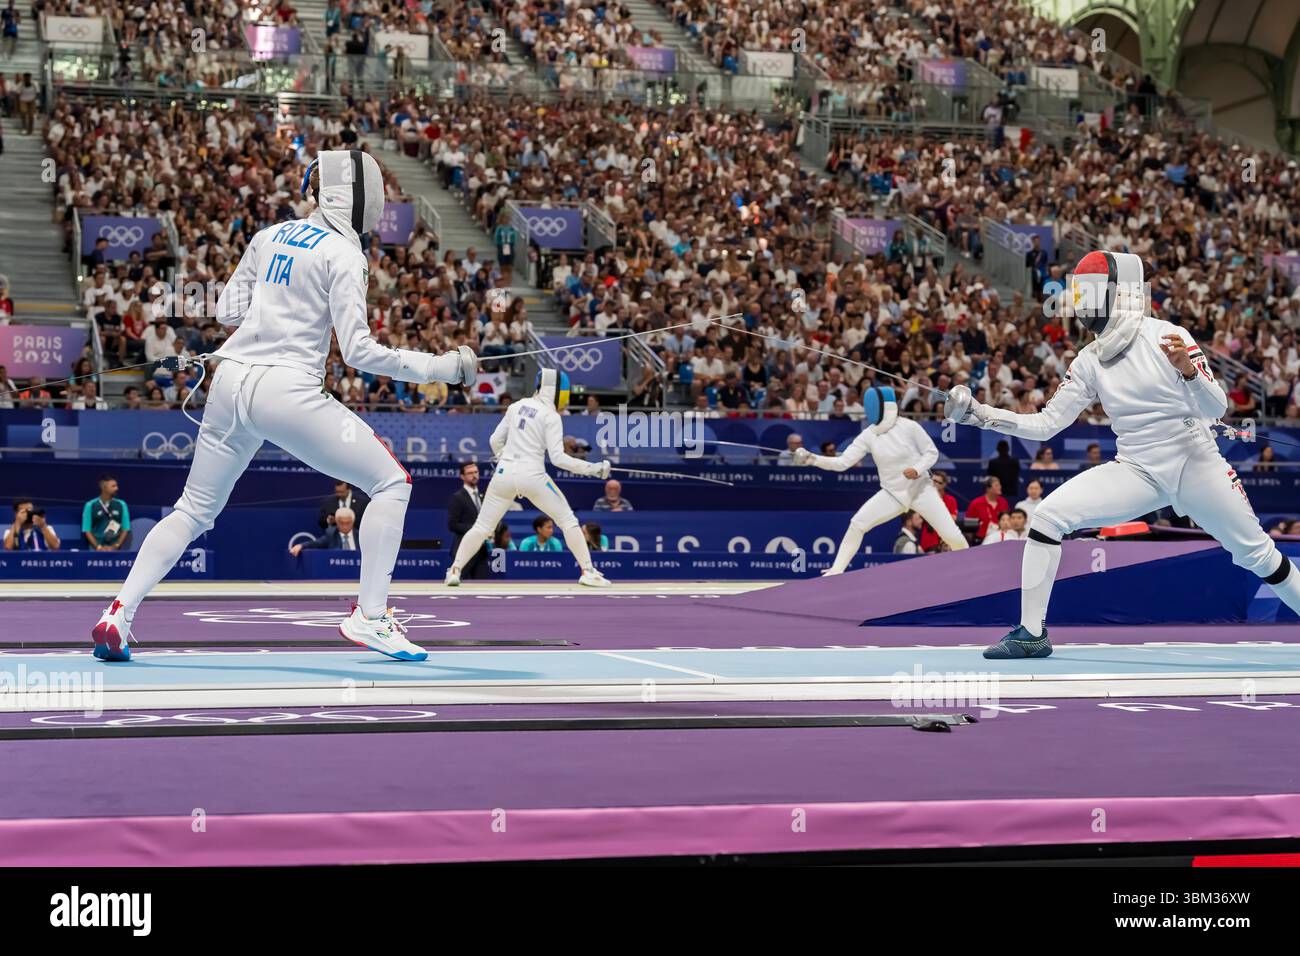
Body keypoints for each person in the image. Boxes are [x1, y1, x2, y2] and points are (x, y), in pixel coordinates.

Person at [91, 150, 478, 663]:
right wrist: (444, 368)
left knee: (191, 511)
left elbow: (228, 310)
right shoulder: (345, 254)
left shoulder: (268, 235)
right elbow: (359, 351)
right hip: (284, 390)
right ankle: (371, 616)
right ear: (356, 197)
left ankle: (118, 612)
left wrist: (269, 314)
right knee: (391, 483)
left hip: (228, 384)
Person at [946, 250, 1300, 658]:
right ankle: (1031, 632)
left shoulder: (1170, 335)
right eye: (1078, 293)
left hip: (1195, 463)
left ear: (1121, 292)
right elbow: (1046, 424)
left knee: (1257, 554)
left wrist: (1188, 371)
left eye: (1090, 291)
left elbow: (1215, 408)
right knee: (1047, 517)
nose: (1081, 303)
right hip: (1138, 470)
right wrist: (980, 414)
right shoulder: (1089, 361)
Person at [445, 369, 611, 586]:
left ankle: (455, 571)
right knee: (568, 521)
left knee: (482, 527)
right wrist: (595, 469)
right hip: (532, 476)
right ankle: (588, 571)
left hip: (503, 475)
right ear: (557, 391)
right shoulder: (550, 416)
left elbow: (495, 440)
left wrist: (505, 459)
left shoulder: (516, 406)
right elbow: (559, 459)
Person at [794, 386, 968, 575]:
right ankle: (836, 570)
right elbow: (843, 462)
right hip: (893, 493)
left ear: (885, 406)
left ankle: (974, 567)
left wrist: (917, 469)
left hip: (921, 489)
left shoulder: (908, 426)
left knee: (952, 535)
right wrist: (813, 459)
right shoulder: (869, 434)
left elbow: (931, 452)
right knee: (857, 523)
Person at [447, 461, 491, 580]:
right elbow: (452, 525)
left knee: (483, 587)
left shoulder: (483, 496)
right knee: (459, 586)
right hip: (463, 551)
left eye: (476, 472)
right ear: (462, 476)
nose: (474, 475)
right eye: (470, 473)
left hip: (481, 551)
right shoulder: (458, 497)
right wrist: (477, 530)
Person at [82, 474, 130, 551]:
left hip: (115, 551)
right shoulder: (90, 505)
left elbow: (126, 528)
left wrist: (116, 546)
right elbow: (87, 530)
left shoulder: (121, 504)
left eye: (116, 486)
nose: (116, 488)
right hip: (95, 550)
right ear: (103, 487)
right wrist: (98, 547)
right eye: (113, 486)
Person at [291, 507, 360, 554]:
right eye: (341, 523)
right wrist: (301, 546)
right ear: (336, 521)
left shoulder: (360, 536)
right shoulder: (331, 535)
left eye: (348, 523)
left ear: (353, 521)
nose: (345, 527)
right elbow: (315, 544)